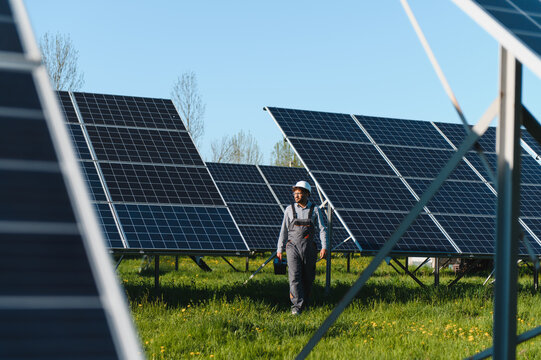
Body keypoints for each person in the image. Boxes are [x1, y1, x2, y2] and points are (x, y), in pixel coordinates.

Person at [276, 180, 327, 315]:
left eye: (299, 193)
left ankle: (305, 304)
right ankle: (296, 307)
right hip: (292, 247)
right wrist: (279, 249)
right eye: (295, 193)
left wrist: (324, 247)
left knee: (308, 277)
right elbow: (284, 231)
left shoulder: (315, 209)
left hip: (309, 247)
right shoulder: (289, 209)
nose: (296, 196)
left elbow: (322, 229)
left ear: (306, 194)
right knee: (294, 276)